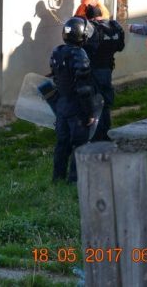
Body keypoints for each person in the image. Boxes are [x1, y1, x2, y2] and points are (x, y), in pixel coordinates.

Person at [50, 17, 97, 183]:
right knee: (80, 143)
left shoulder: (57, 51)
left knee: (62, 143)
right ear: (81, 35)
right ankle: (74, 180)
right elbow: (83, 89)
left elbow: (56, 78)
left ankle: (57, 178)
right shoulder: (79, 54)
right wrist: (89, 113)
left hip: (61, 105)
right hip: (76, 107)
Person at [83, 5, 125, 141]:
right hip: (108, 67)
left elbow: (85, 47)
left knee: (96, 102)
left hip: (94, 69)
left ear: (89, 17)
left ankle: (97, 135)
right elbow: (120, 47)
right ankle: (106, 132)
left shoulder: (92, 28)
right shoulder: (113, 26)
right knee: (105, 101)